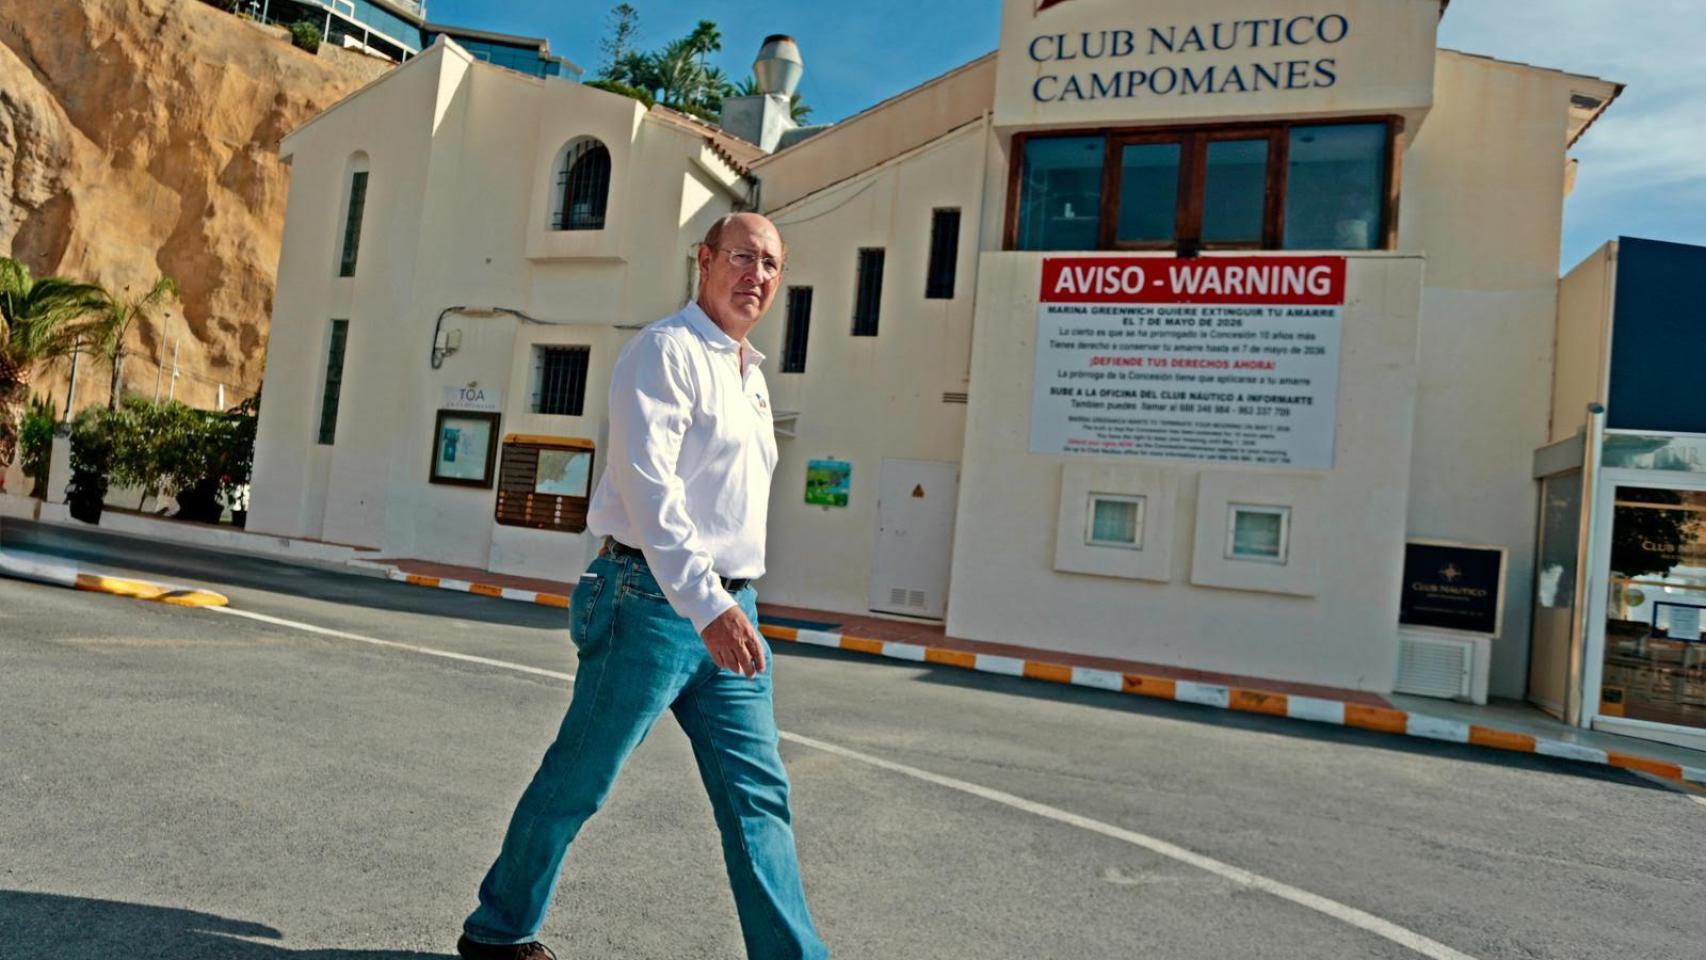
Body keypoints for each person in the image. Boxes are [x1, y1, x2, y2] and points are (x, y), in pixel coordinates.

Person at [457, 213, 828, 960]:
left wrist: (727, 602)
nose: (756, 275)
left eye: (770, 265)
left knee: (759, 798)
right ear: (705, 260)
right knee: (581, 779)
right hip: (649, 601)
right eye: (742, 257)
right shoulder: (666, 351)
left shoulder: (751, 376)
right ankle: (498, 932)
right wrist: (708, 603)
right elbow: (650, 489)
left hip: (730, 605)